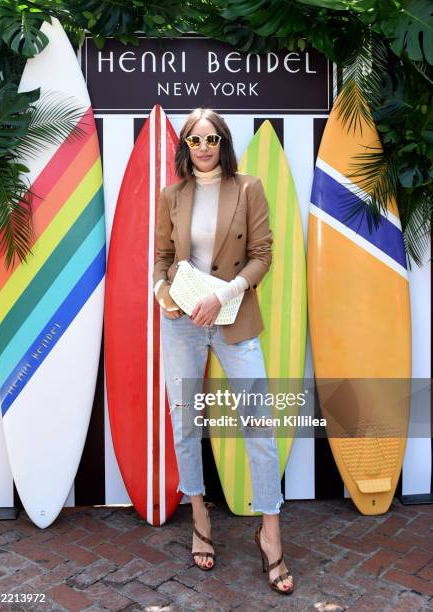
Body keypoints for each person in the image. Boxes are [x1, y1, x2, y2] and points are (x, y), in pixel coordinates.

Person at [152, 108, 294, 595]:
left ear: (223, 142)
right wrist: (161, 293)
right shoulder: (172, 195)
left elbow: (263, 255)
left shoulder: (249, 187)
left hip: (232, 317)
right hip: (182, 323)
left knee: (259, 421)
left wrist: (224, 295)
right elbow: (162, 258)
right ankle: (199, 516)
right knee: (185, 420)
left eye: (212, 138)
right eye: (196, 139)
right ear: (186, 147)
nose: (205, 146)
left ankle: (270, 531)